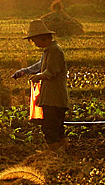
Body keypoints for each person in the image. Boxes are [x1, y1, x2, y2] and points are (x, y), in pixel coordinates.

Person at [12, 20, 69, 151]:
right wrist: (24, 71)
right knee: (57, 127)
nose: (34, 43)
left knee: (49, 127)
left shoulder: (55, 50)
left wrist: (38, 76)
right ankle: (62, 153)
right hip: (51, 97)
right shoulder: (49, 51)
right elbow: (40, 66)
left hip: (54, 98)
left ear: (41, 38)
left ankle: (53, 155)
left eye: (34, 40)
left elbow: (51, 71)